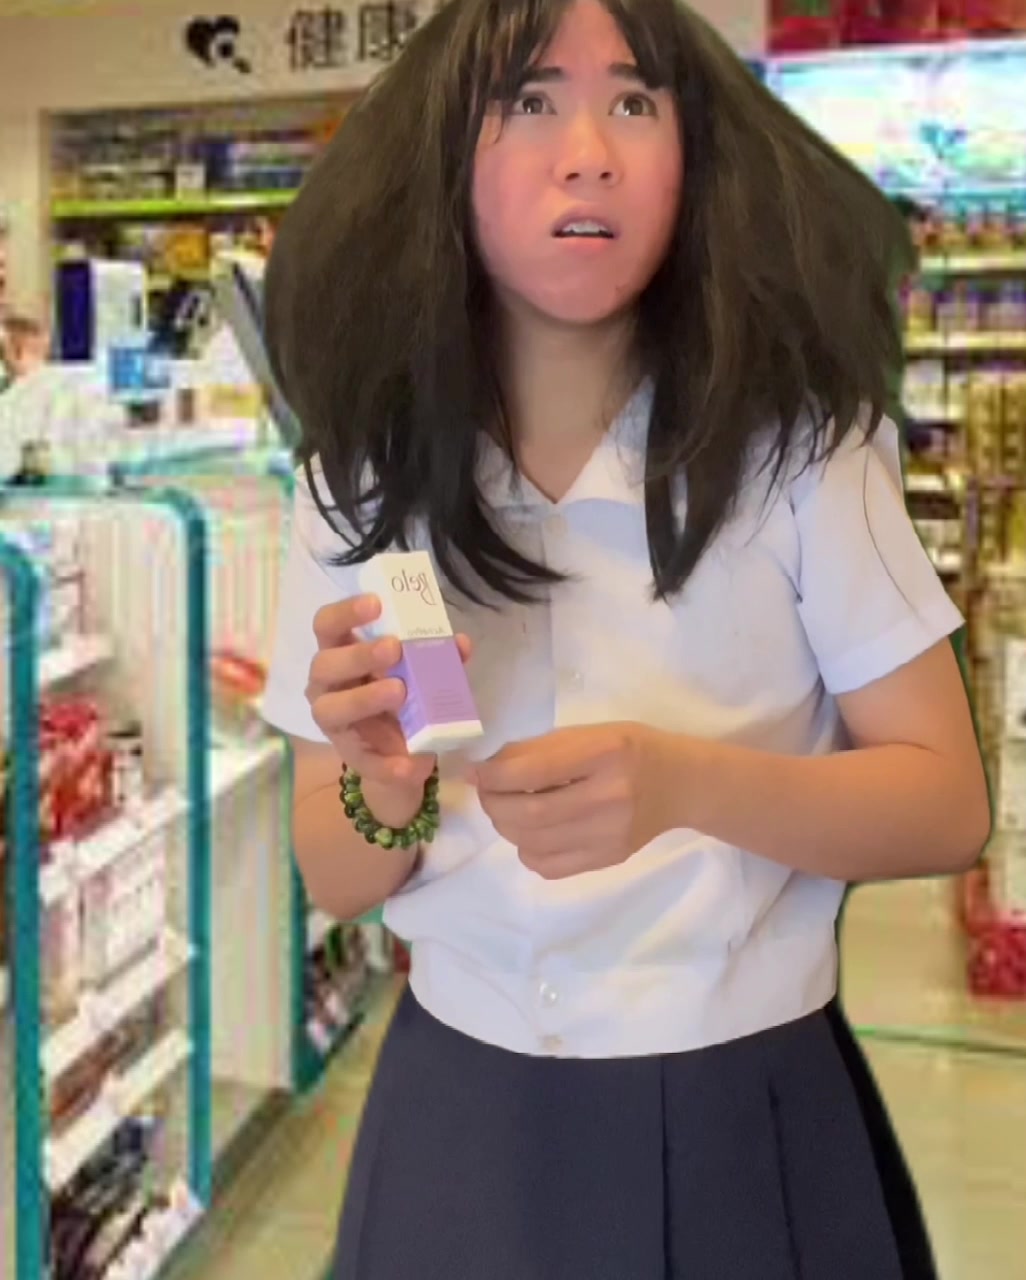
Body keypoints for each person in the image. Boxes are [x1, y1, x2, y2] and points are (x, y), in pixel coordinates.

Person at [260, 1, 990, 1276]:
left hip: (746, 1113)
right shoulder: (366, 482)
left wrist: (685, 785)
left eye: (636, 102)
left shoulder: (803, 455)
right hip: (458, 1111)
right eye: (530, 100)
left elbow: (945, 805)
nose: (587, 152)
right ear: (442, 157)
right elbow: (339, 871)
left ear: (696, 157)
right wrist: (387, 784)